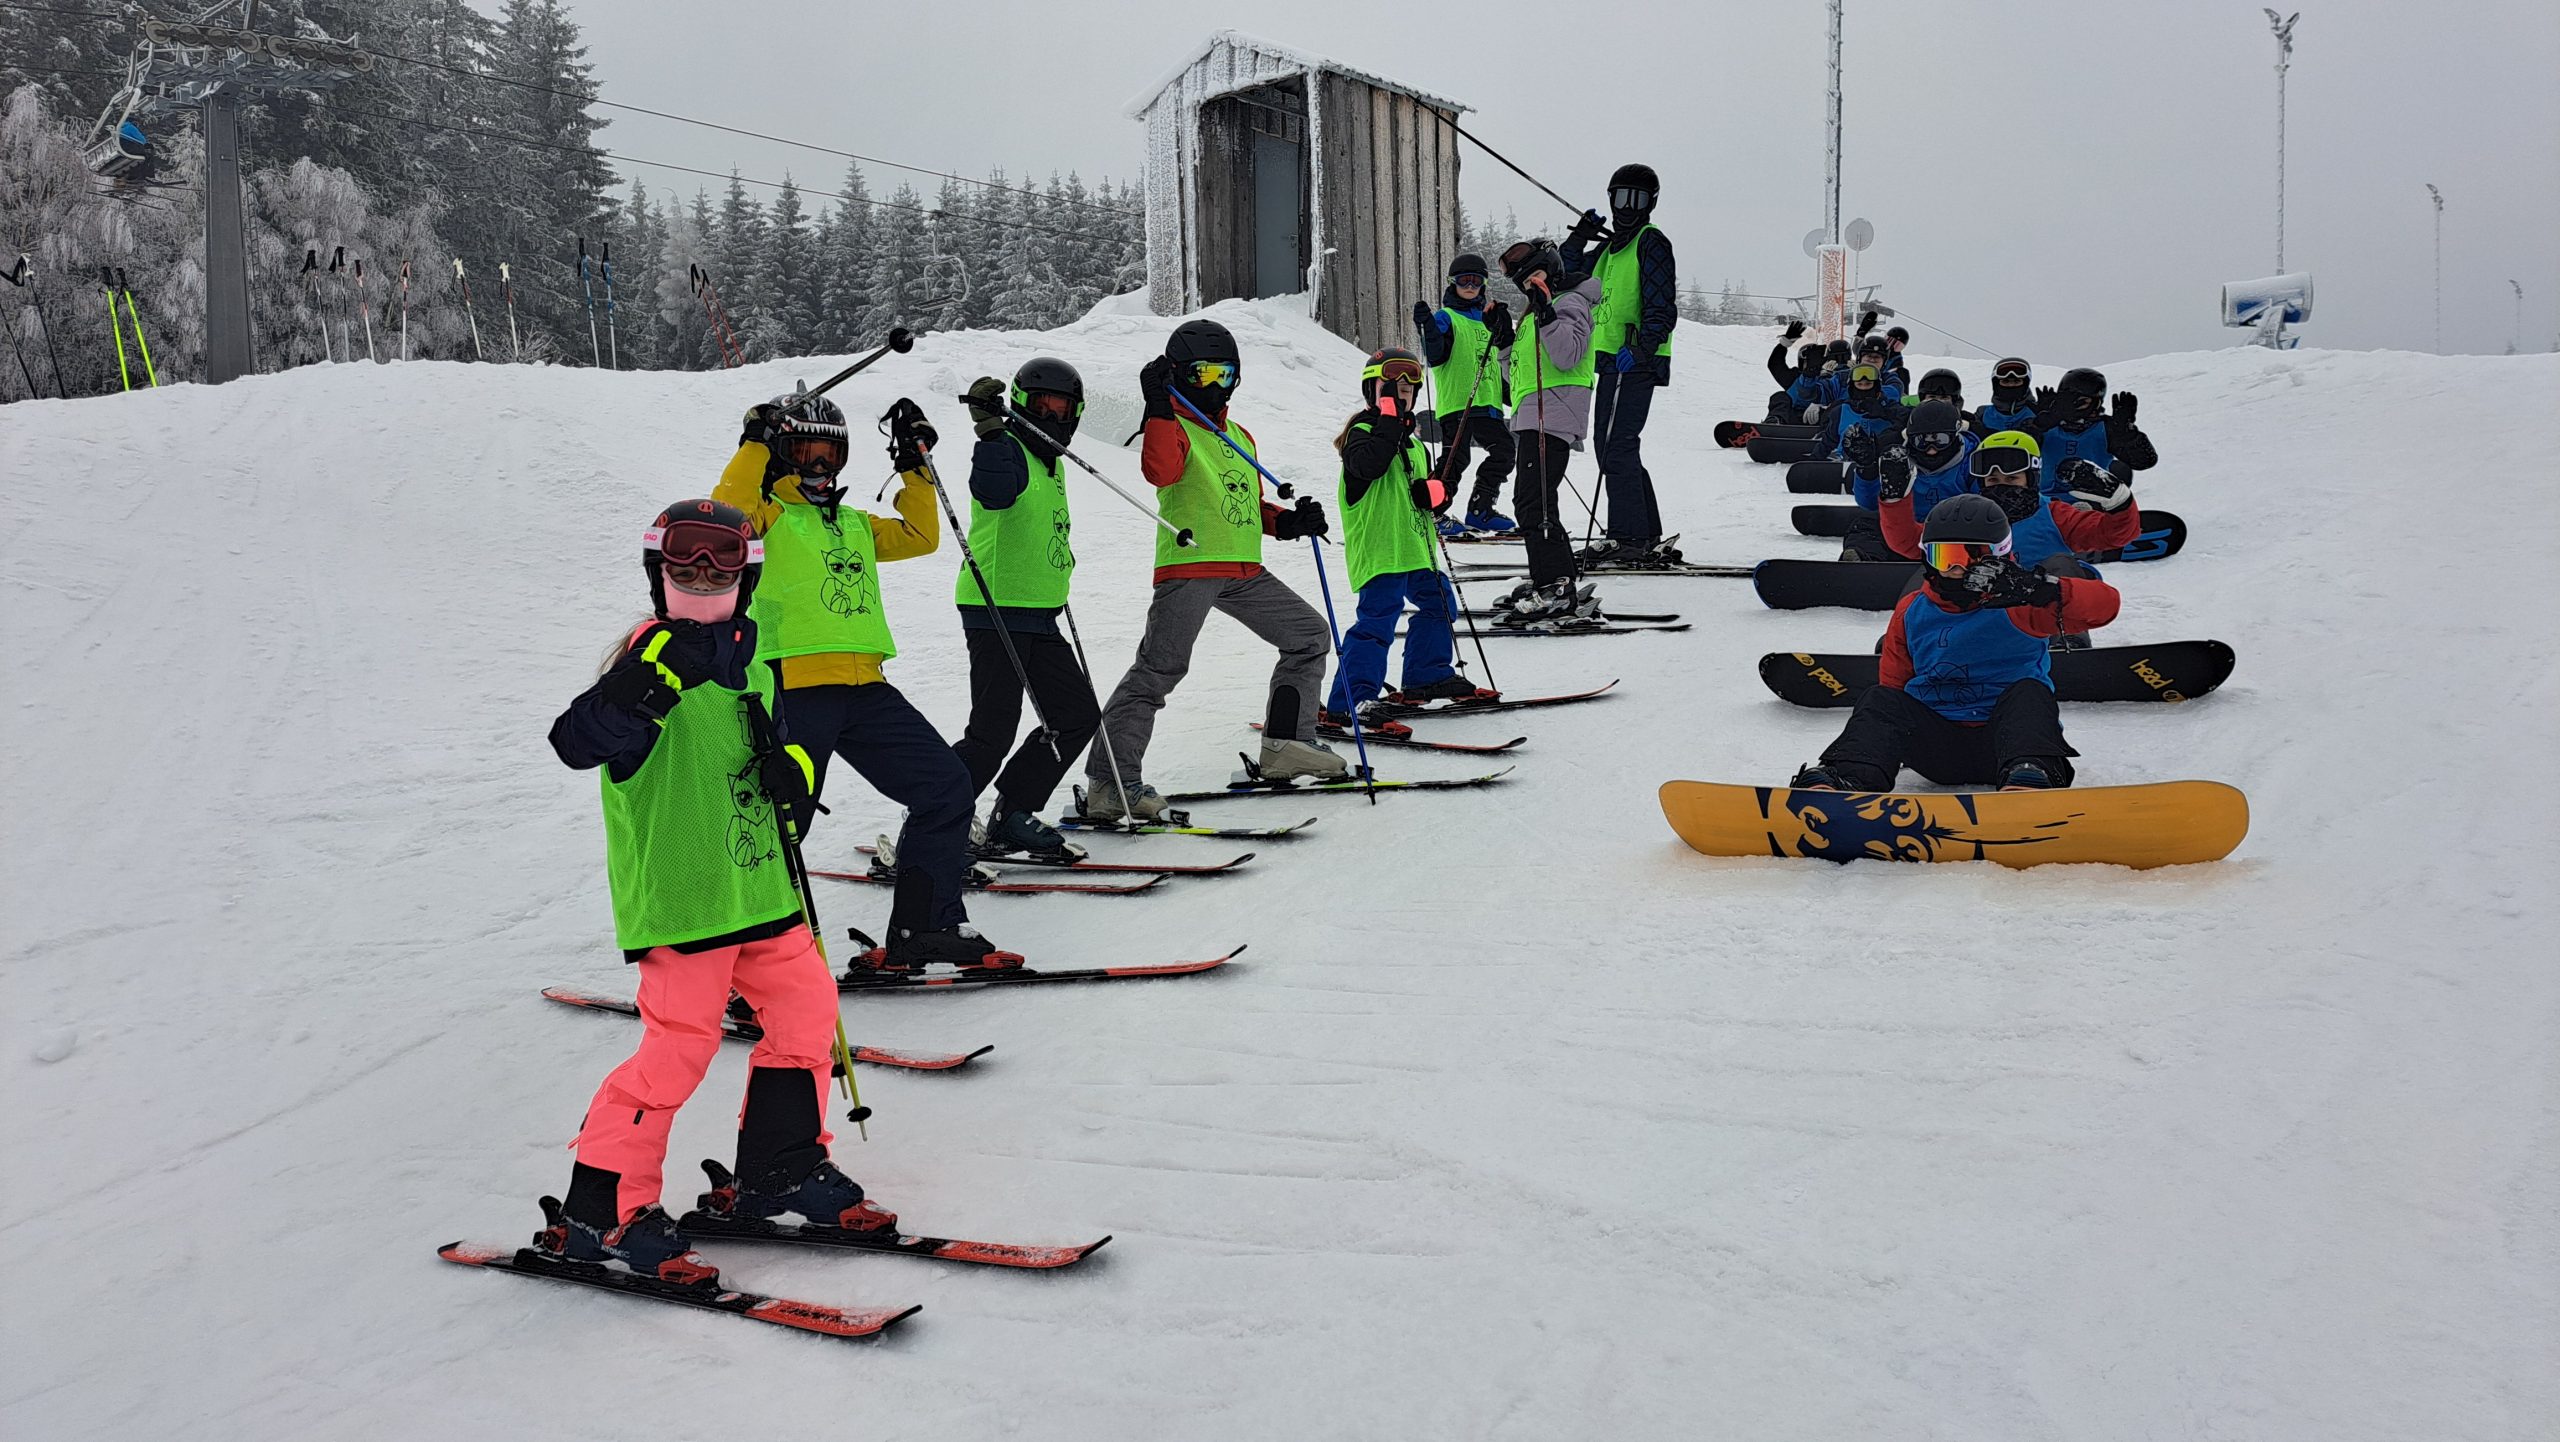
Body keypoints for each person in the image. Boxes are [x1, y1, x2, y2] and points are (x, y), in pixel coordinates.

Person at [541, 499, 890, 1285]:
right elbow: (579, 741)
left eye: (721, 563)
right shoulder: (645, 661)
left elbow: (786, 751)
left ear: (748, 575)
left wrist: (793, 776)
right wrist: (642, 686)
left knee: (806, 1014)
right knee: (678, 1052)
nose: (702, 575)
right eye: (684, 563)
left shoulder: (755, 662)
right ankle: (604, 1213)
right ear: (657, 572)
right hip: (687, 900)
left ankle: (781, 1171)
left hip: (762, 890)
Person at [713, 391, 1012, 970]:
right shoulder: (765, 517)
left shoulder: (852, 521)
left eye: (830, 453)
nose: (818, 465)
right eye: (804, 450)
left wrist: (913, 468)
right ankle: (743, 965)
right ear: (781, 453)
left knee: (946, 787)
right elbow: (726, 518)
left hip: (864, 688)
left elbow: (921, 536)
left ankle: (925, 928)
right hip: (791, 689)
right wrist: (752, 447)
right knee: (778, 820)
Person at [1082, 319, 1346, 821]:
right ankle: (1112, 782)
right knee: (1159, 670)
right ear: (1179, 374)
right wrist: (1158, 409)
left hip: (1243, 569)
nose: (1215, 386)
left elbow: (1242, 503)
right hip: (1191, 566)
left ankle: (1286, 746)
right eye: (1203, 374)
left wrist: (1288, 522)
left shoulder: (1238, 434)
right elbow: (1160, 471)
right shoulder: (1173, 426)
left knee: (1308, 635)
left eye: (1226, 375)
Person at [1791, 493, 2122, 794]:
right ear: (1928, 559)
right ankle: (1849, 778)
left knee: (2030, 692)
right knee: (1881, 699)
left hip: (2010, 745)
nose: (1957, 568)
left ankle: (2032, 778)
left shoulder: (2022, 603)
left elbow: (2106, 606)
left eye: (1973, 556)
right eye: (1945, 555)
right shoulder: (1912, 611)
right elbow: (1895, 684)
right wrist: (1883, 744)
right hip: (1938, 749)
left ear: (2000, 555)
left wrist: (2044, 590)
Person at [946, 357, 1104, 861]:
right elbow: (992, 494)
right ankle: (932, 816)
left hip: (1038, 613)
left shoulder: (1049, 462)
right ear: (1020, 404)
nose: (1054, 416)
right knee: (991, 734)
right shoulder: (1007, 448)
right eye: (1042, 405)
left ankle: (1012, 813)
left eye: (1063, 407)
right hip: (996, 610)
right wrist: (991, 435)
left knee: (1076, 714)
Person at [1324, 349, 1488, 735]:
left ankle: (1426, 675)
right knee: (1377, 621)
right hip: (1381, 552)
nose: (1403, 396)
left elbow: (1433, 489)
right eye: (1391, 389)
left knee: (1440, 602)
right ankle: (1350, 699)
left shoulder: (1413, 443)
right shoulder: (1361, 435)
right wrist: (1388, 420)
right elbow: (1369, 465)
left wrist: (1437, 492)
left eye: (1409, 389)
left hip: (1415, 549)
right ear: (1372, 392)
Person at [1564, 163, 1678, 565]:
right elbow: (1565, 273)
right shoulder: (1610, 249)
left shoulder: (1652, 243)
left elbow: (1663, 307)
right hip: (1612, 360)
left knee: (1614, 446)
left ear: (1651, 203)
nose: (1628, 206)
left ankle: (1628, 536)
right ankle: (1642, 531)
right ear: (1610, 198)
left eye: (1638, 199)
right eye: (1621, 197)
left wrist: (1644, 349)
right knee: (1616, 446)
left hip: (1634, 360)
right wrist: (1580, 235)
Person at [1493, 237, 1606, 623]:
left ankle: (1554, 584)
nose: (1531, 284)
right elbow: (1517, 378)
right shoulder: (1536, 313)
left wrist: (1547, 316)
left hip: (1553, 413)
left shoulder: (1569, 302)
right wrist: (1506, 343)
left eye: (1536, 274)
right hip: (1532, 413)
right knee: (1536, 500)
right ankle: (1553, 579)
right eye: (1525, 281)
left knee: (1532, 502)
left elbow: (1567, 354)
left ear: (1553, 269)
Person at [1879, 430, 2142, 577]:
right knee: (1928, 575)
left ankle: (2068, 642)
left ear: (2031, 478)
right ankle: (1913, 640)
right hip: (1976, 604)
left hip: (2039, 609)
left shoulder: (2055, 515)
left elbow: (2115, 535)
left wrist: (2119, 502)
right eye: (1993, 479)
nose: (2001, 484)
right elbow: (1910, 544)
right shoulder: (1965, 515)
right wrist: (1896, 499)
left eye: (2012, 477)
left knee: (2062, 564)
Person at [1412, 254, 1517, 535]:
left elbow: (1501, 363)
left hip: (1489, 404)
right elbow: (1435, 355)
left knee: (1505, 452)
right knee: (1455, 460)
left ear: (1483, 285)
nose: (1470, 286)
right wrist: (1427, 327)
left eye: (1476, 281)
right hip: (1459, 402)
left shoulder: (1489, 320)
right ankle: (1431, 512)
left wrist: (1512, 394)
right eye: (1463, 281)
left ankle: (1480, 510)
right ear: (1453, 283)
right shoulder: (1447, 317)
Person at [1839, 397, 1976, 561]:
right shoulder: (1897, 459)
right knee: (1864, 526)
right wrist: (1867, 468)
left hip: (1957, 533)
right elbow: (1868, 504)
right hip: (1904, 530)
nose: (1931, 450)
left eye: (1940, 440)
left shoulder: (1971, 460)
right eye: (1921, 441)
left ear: (1955, 436)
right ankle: (1865, 563)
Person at [2030, 367, 2158, 501]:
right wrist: (2037, 426)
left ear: (2097, 402)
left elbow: (2144, 461)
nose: (2074, 407)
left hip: (2092, 505)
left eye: (2082, 402)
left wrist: (2128, 434)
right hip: (2043, 502)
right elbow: (2013, 451)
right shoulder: (2048, 423)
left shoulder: (2107, 428)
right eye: (2070, 400)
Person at [1975, 357, 2040, 435]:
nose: (2011, 385)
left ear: (2025, 384)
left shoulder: (2037, 412)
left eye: (2017, 381)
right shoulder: (1983, 414)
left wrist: (2044, 426)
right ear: (1996, 385)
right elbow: (1968, 442)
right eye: (2005, 381)